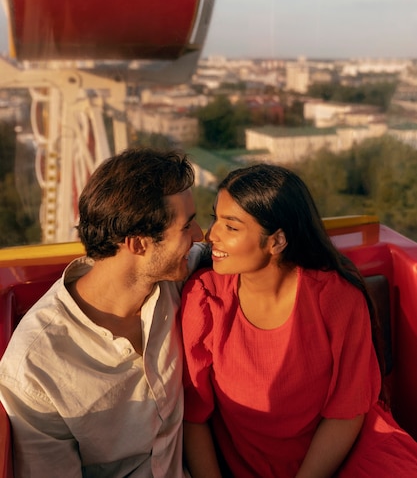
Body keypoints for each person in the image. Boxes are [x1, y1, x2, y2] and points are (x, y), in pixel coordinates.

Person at [181, 163, 417, 478]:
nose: (212, 236)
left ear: (277, 241)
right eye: (216, 219)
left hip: (342, 455)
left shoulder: (337, 299)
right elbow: (194, 416)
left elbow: (347, 412)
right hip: (246, 465)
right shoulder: (206, 298)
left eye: (231, 226)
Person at [0, 147, 204, 478]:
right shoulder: (36, 367)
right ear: (138, 244)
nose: (199, 237)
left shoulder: (174, 279)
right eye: (187, 227)